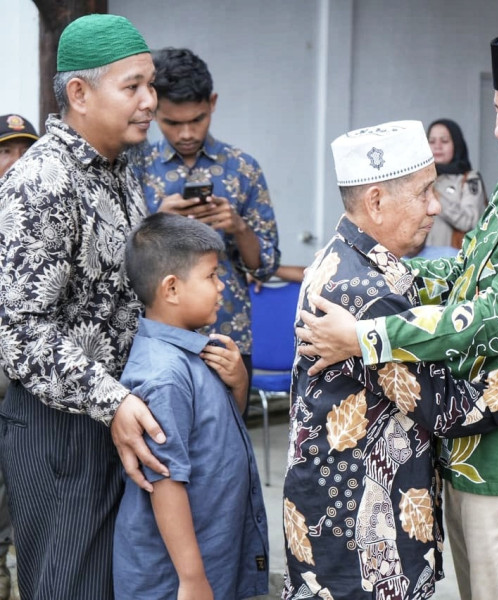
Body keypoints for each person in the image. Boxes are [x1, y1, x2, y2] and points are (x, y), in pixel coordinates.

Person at [297, 33, 498, 600]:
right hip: (470, 442)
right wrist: (379, 278)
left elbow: (495, 315)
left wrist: (366, 335)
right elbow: (464, 275)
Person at [0, 15, 163, 599]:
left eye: (150, 84)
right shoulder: (42, 181)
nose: (150, 101)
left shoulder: (119, 169)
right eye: (132, 86)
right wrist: (110, 400)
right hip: (61, 432)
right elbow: (21, 334)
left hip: (117, 415)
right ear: (79, 93)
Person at [113, 213, 268, 599]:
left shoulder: (196, 353)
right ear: (171, 288)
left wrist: (239, 383)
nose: (221, 286)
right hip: (174, 578)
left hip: (212, 552)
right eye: (211, 276)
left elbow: (217, 432)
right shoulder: (164, 375)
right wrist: (192, 578)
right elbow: (166, 480)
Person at [134, 47, 281, 396]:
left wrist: (238, 228)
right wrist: (155, 223)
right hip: (154, 341)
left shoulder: (243, 168)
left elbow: (265, 267)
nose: (186, 133)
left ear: (212, 103)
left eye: (197, 120)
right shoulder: (136, 166)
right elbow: (117, 258)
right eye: (172, 123)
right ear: (153, 110)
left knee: (230, 428)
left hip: (227, 336)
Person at [0, 112, 39, 600]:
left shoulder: (40, 209)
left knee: (24, 479)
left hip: (29, 373)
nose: (15, 161)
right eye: (5, 151)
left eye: (25, 151)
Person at [425, 118, 488, 248]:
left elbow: (469, 221)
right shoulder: (421, 178)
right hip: (417, 257)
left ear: (456, 144)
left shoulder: (469, 178)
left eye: (444, 141)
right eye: (432, 141)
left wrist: (437, 196)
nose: (437, 146)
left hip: (451, 256)